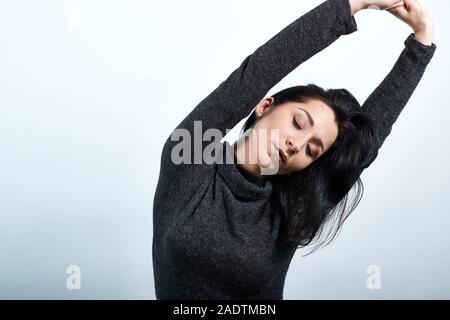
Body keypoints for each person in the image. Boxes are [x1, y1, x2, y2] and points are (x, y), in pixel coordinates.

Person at [152, 0, 437, 299]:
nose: (297, 144)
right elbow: (260, 69)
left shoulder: (292, 205)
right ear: (264, 105)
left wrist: (423, 37)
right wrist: (353, 4)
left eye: (312, 150)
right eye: (299, 123)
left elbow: (365, 145)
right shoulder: (187, 157)